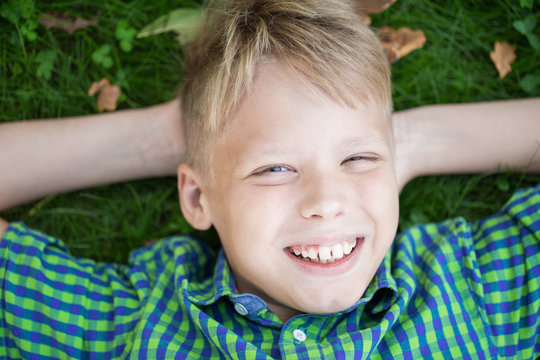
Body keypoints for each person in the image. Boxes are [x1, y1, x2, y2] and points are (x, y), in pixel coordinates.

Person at [0, 0, 539, 358]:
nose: (327, 202)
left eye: (358, 160)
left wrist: (416, 142)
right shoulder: (143, 317)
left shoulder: (469, 283)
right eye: (274, 168)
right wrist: (159, 140)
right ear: (196, 196)